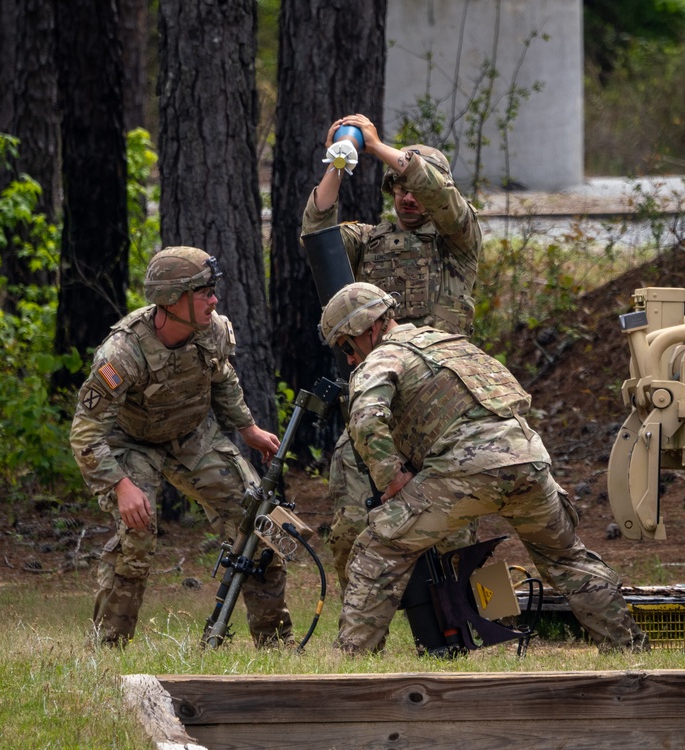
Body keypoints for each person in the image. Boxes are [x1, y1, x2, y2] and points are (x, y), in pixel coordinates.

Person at [318, 282, 649, 654]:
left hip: (467, 469)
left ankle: (351, 660)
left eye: (347, 346)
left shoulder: (384, 356)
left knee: (377, 548)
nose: (349, 359)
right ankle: (629, 651)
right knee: (566, 558)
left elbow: (365, 419)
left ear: (369, 328)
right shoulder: (451, 344)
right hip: (528, 460)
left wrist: (390, 477)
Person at [70, 246, 291, 647]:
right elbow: (85, 434)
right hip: (132, 442)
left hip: (192, 434)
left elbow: (222, 377)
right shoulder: (122, 354)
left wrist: (248, 429)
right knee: (136, 536)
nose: (214, 299)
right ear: (173, 300)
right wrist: (121, 486)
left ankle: (276, 645)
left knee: (258, 521)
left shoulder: (213, 330)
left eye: (213, 290)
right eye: (204, 291)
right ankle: (107, 650)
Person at [302, 113, 483, 588]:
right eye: (396, 187)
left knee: (457, 531)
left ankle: (474, 622)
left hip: (444, 408)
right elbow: (317, 233)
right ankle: (359, 626)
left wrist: (380, 145)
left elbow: (444, 200)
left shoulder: (458, 242)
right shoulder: (369, 241)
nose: (406, 195)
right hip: (379, 408)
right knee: (349, 525)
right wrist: (338, 162)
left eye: (412, 185)